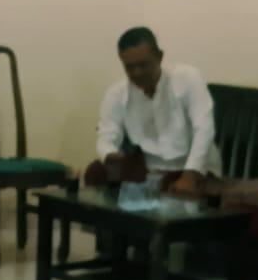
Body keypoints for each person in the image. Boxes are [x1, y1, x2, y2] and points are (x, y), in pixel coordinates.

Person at [89, 26, 219, 197]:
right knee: (95, 172)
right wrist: (112, 157)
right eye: (130, 67)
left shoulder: (188, 78)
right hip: (147, 171)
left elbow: (204, 129)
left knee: (181, 190)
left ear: (159, 57)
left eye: (143, 65)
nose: (137, 72)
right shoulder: (116, 94)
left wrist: (190, 175)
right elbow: (106, 137)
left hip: (193, 169)